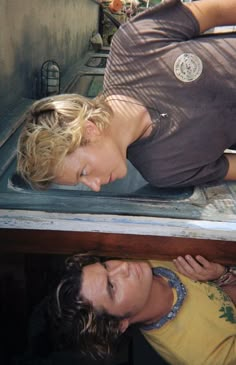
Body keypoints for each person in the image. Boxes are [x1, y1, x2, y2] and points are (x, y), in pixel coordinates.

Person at [17, 0, 236, 190]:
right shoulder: (163, 172)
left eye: (83, 173)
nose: (94, 187)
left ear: (88, 129)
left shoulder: (132, 46)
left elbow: (216, 11)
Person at [48, 254, 236, 365]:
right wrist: (225, 277)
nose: (122, 267)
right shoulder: (202, 356)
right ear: (120, 324)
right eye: (112, 286)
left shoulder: (142, 249)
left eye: (106, 266)